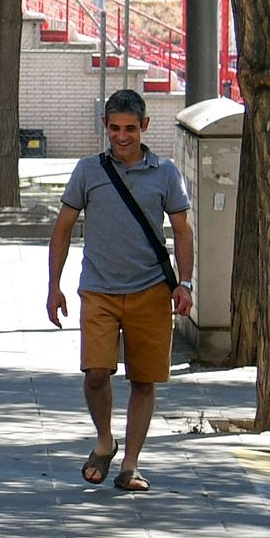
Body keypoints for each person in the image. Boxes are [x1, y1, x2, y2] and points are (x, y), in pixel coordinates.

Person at [47, 89, 194, 493]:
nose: (122, 136)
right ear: (105, 127)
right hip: (98, 289)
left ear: (145, 127)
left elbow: (182, 230)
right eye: (115, 128)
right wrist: (53, 287)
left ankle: (130, 464)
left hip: (150, 290)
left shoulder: (165, 173)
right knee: (96, 373)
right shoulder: (88, 171)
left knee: (143, 381)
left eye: (130, 128)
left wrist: (186, 283)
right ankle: (104, 440)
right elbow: (62, 229)